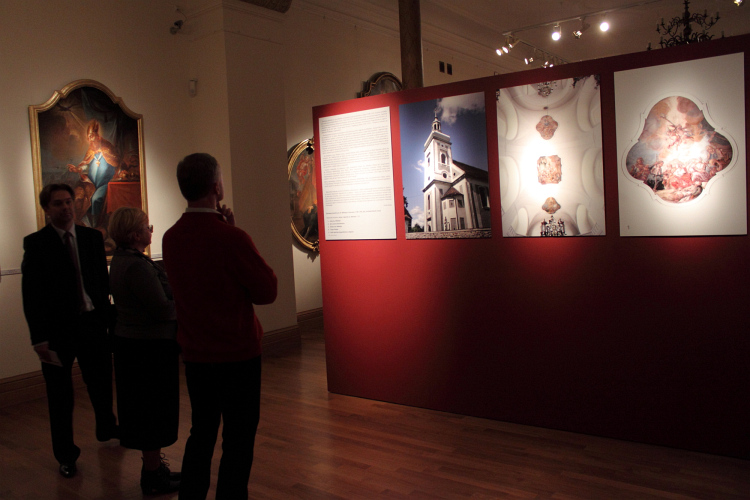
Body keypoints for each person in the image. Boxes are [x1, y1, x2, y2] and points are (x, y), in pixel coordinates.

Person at [162, 153, 277, 500]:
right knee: (238, 438)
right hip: (237, 355)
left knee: (202, 432)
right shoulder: (231, 238)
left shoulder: (170, 237)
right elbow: (267, 290)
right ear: (216, 186)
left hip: (196, 355)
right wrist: (234, 232)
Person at [21, 183, 118, 479]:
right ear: (47, 209)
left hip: (91, 324)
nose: (65, 207)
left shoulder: (91, 238)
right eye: (58, 204)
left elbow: (101, 283)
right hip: (57, 332)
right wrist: (39, 338)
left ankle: (107, 427)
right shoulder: (37, 243)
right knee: (60, 396)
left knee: (101, 382)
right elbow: (32, 295)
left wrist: (107, 321)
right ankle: (66, 455)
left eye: (68, 202)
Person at [108, 207, 181, 494]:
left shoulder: (124, 260)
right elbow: (161, 308)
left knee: (147, 411)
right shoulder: (136, 266)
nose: (151, 231)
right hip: (148, 349)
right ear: (135, 234)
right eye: (147, 227)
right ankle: (153, 476)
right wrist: (187, 305)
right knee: (153, 412)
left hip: (135, 346)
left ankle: (153, 470)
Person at [67, 120, 119, 225]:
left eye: (91, 136)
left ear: (98, 136)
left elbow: (115, 163)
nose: (89, 139)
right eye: (88, 137)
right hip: (90, 184)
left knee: (95, 199)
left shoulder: (108, 150)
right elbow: (86, 165)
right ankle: (84, 224)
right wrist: (77, 169)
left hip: (104, 184)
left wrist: (105, 155)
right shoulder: (91, 151)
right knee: (79, 198)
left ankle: (96, 225)